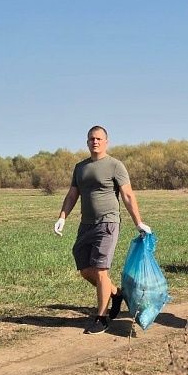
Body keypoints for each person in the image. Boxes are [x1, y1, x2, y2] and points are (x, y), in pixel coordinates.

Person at [53, 125, 152, 335]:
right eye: (91, 139)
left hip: (108, 223)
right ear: (87, 142)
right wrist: (62, 217)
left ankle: (101, 317)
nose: (95, 142)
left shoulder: (115, 165)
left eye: (98, 138)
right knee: (85, 269)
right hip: (85, 224)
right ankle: (115, 293)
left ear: (106, 141)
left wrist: (138, 222)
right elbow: (72, 195)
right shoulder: (80, 167)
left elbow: (127, 195)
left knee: (100, 270)